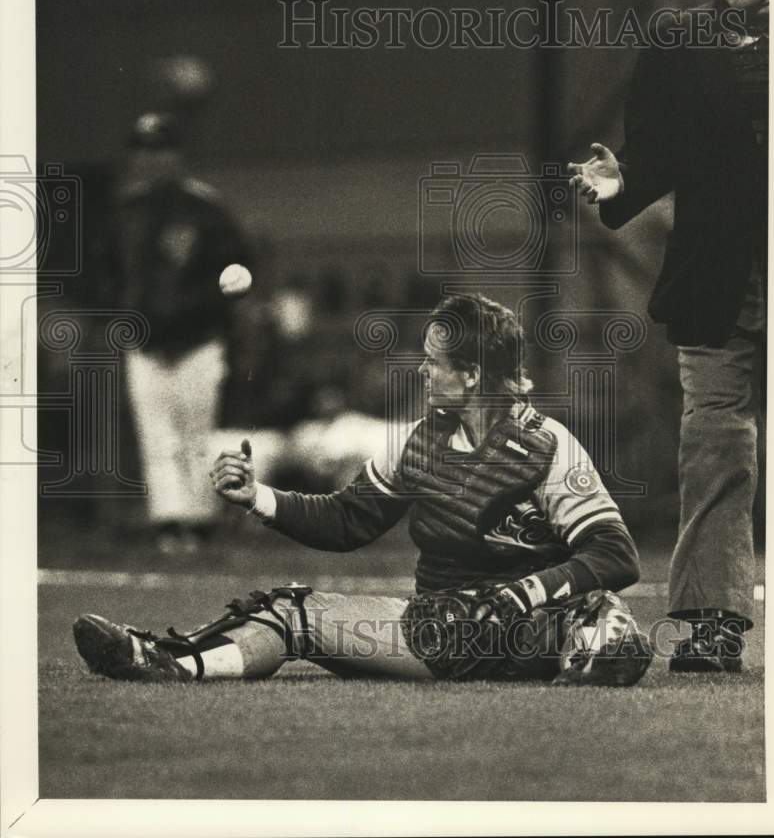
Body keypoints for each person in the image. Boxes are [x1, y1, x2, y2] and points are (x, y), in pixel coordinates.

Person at [73, 293, 652, 686]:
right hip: (467, 634)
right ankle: (596, 642)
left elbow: (615, 553)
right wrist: (258, 497)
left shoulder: (546, 445)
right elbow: (348, 520)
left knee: (288, 612)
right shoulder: (422, 441)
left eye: (434, 362)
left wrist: (519, 594)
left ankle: (168, 662)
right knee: (596, 617)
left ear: (472, 374)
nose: (423, 371)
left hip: (459, 634)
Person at [568, 0, 768, 671]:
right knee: (713, 443)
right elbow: (654, 150)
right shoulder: (680, 38)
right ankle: (713, 624)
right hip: (717, 269)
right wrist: (623, 181)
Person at [118, 109, 252, 553]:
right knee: (156, 437)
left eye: (160, 149)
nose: (151, 158)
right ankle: (168, 523)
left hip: (198, 340)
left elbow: (238, 269)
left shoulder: (205, 208)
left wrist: (204, 318)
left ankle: (198, 521)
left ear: (177, 155)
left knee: (196, 434)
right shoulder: (126, 210)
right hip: (144, 341)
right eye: (143, 150)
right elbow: (110, 276)